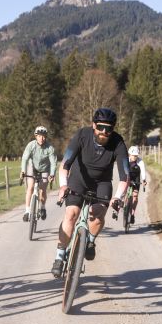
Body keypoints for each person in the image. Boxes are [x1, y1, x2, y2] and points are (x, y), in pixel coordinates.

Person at [51, 108, 130, 278]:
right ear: (94, 125)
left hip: (102, 183)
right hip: (79, 179)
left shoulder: (118, 142)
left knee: (98, 213)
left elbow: (125, 176)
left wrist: (118, 197)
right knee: (71, 214)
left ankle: (90, 241)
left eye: (109, 129)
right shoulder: (82, 135)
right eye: (101, 127)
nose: (104, 132)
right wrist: (63, 185)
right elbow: (65, 164)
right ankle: (59, 255)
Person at [20, 126, 57, 222]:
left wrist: (52, 174)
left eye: (44, 136)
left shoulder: (50, 148)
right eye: (39, 136)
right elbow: (25, 159)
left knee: (43, 188)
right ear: (36, 136)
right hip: (32, 168)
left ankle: (43, 207)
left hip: (45, 169)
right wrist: (23, 171)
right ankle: (27, 211)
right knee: (30, 187)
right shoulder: (31, 145)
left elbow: (53, 163)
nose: (42, 138)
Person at [125, 145, 147, 225]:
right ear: (129, 154)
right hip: (128, 177)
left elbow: (143, 172)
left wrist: (144, 180)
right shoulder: (126, 160)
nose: (135, 157)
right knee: (124, 192)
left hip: (136, 179)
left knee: (135, 196)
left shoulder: (140, 162)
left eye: (136, 156)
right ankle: (123, 205)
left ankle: (132, 214)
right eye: (133, 155)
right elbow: (123, 171)